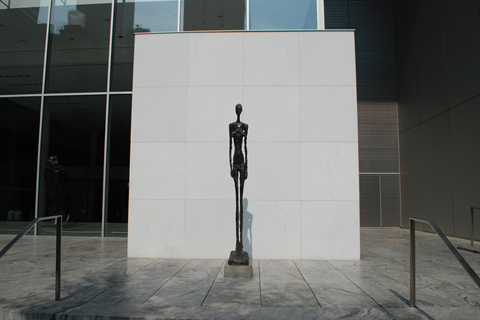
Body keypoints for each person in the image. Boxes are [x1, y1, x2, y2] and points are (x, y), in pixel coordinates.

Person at [229, 104, 249, 263]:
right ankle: (237, 244)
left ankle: (241, 245)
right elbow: (229, 148)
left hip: (241, 162)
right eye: (237, 109)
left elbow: (246, 148)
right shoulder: (231, 126)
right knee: (236, 202)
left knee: (240, 204)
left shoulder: (245, 127)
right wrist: (230, 166)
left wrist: (247, 167)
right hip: (235, 162)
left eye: (239, 109)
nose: (238, 111)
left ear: (241, 111)